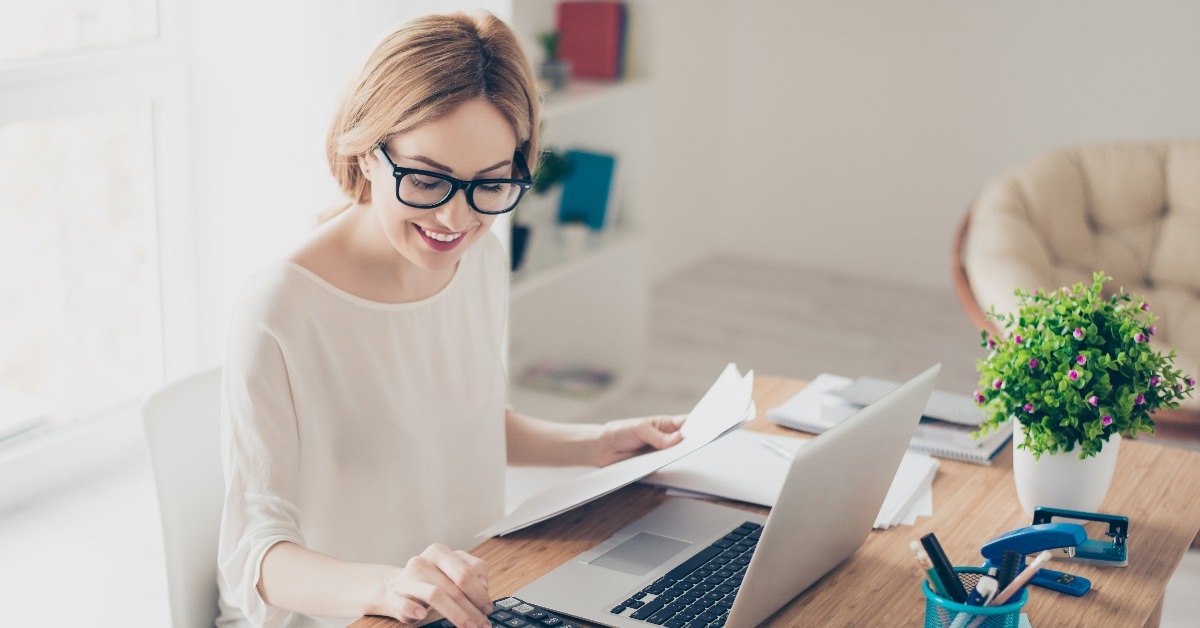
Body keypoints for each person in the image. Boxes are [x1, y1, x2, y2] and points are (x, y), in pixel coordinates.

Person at [215, 11, 686, 628]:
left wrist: (596, 445)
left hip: (474, 602)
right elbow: (253, 554)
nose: (456, 219)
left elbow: (460, 423)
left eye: (491, 184)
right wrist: (389, 589)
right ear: (367, 149)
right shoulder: (280, 308)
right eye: (429, 179)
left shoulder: (479, 260)